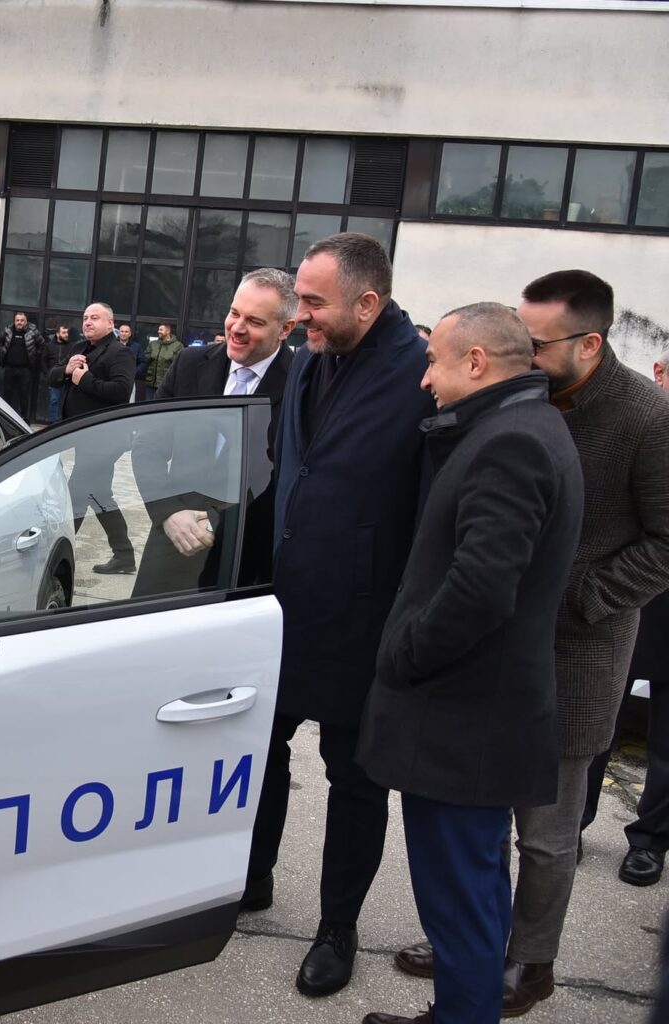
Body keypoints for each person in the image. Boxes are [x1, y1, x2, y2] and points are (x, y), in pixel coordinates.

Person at [394, 271, 669, 1015]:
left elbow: (667, 541)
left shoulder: (646, 417)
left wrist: (581, 597)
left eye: (538, 342)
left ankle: (530, 959)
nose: (522, 349)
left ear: (590, 344)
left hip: (578, 650)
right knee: (477, 815)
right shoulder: (523, 400)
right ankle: (473, 945)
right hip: (498, 644)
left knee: (547, 833)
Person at [359, 303, 584, 1024]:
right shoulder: (524, 424)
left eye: (435, 362)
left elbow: (482, 588)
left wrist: (404, 655)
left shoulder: (510, 441)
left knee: (460, 902)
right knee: (475, 893)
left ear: (477, 362)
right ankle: (463, 1010)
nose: (425, 379)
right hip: (475, 721)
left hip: (462, 726)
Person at [251, 233, 433, 998]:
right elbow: (287, 469)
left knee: (354, 782)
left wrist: (409, 624)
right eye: (299, 299)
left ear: (368, 302)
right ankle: (253, 877)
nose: (299, 315)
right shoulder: (309, 360)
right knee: (261, 751)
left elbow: (431, 511)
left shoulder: (421, 375)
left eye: (314, 302)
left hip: (365, 621)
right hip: (287, 607)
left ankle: (337, 928)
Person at [133, 269, 297, 596]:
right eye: (234, 313)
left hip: (247, 562)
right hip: (175, 544)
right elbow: (148, 445)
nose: (237, 327)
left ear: (286, 329)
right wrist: (169, 512)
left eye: (255, 321)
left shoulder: (301, 384)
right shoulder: (189, 363)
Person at [581, 344, 669, 887]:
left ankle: (651, 840)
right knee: (594, 721)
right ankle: (572, 823)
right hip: (623, 598)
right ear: (661, 372)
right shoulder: (635, 422)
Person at [46, 302, 138, 574]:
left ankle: (53, 558)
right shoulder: (78, 348)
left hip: (104, 439)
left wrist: (83, 379)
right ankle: (124, 555)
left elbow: (121, 391)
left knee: (77, 493)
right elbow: (52, 377)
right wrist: (66, 370)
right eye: (85, 317)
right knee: (99, 495)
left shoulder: (120, 353)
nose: (87, 322)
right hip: (82, 435)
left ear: (110, 324)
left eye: (94, 317)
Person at [0, 311, 42, 421]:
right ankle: (6, 418)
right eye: (17, 320)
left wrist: (34, 356)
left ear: (26, 321)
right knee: (7, 394)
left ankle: (25, 420)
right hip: (10, 368)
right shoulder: (8, 330)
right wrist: (3, 351)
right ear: (14, 321)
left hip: (25, 369)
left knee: (24, 395)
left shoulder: (33, 331)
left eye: (22, 320)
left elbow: (42, 344)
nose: (19, 322)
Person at [42, 324, 76, 423]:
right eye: (63, 333)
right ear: (57, 334)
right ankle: (54, 423)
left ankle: (65, 424)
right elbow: (43, 361)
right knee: (54, 401)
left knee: (67, 402)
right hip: (54, 379)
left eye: (67, 333)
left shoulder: (72, 346)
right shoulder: (49, 346)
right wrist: (48, 374)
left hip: (68, 379)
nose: (66, 335)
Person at [143, 324, 182, 400]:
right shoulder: (153, 344)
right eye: (158, 329)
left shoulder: (178, 346)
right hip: (151, 383)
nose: (158, 331)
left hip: (165, 384)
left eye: (161, 330)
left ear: (168, 331)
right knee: (148, 404)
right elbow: (145, 358)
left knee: (161, 405)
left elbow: (178, 363)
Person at [121, 324, 149, 401]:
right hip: (113, 379)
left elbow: (143, 362)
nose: (124, 333)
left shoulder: (136, 347)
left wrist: (134, 372)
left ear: (130, 334)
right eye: (122, 331)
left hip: (130, 379)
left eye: (126, 332)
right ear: (119, 333)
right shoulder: (113, 345)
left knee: (130, 401)